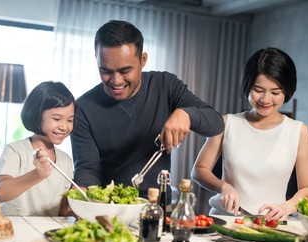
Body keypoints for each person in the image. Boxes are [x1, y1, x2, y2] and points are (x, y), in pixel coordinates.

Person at [71, 20, 224, 203]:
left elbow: (215, 123)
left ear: (143, 60)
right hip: (107, 208)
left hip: (156, 206)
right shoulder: (83, 108)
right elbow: (87, 169)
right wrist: (82, 193)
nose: (116, 81)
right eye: (106, 71)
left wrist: (187, 114)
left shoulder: (165, 85)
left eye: (125, 70)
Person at [191, 47, 308, 221]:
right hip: (226, 220)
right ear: (247, 86)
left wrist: (287, 207)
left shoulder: (299, 131)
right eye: (258, 90)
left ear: (287, 91)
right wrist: (224, 187)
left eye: (275, 92)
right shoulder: (226, 123)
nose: (265, 99)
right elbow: (199, 170)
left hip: (272, 224)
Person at [0, 81, 75, 216]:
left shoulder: (65, 160)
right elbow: (2, 193)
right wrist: (37, 174)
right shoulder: (15, 151)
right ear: (36, 115)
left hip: (48, 233)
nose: (64, 127)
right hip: (15, 231)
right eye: (57, 118)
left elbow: (63, 211)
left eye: (70, 120)